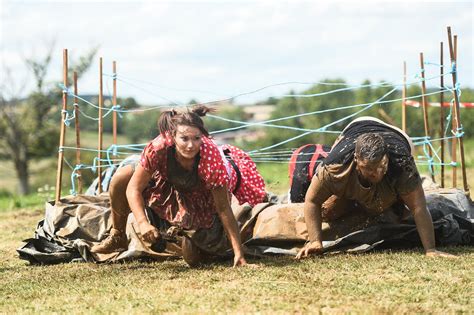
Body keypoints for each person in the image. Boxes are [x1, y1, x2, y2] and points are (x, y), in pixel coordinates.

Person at [91, 105, 267, 267]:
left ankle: (183, 234)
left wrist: (239, 254)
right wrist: (143, 223)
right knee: (122, 177)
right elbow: (133, 188)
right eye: (184, 139)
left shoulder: (211, 159)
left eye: (196, 139)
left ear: (203, 138)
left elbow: (223, 209)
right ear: (173, 136)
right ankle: (118, 235)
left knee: (193, 259)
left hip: (201, 201)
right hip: (167, 188)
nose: (191, 145)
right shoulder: (158, 148)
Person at [295, 116, 456, 259]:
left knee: (393, 213)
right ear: (356, 160)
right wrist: (315, 241)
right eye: (369, 169)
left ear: (386, 159)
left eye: (381, 167)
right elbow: (312, 201)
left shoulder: (401, 163)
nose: (377, 174)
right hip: (353, 129)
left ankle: (392, 196)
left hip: (398, 137)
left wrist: (431, 249)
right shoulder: (335, 166)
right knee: (330, 210)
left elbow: (418, 207)